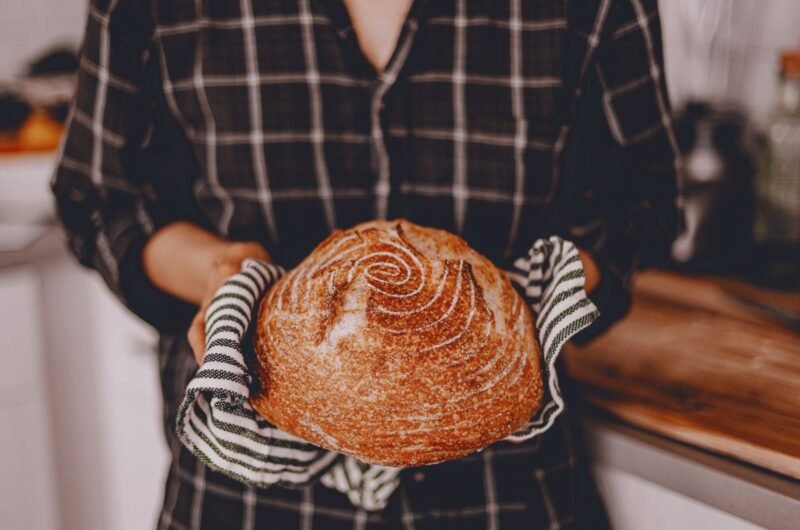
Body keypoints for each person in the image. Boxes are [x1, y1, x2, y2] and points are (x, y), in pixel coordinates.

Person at [52, 0, 680, 528]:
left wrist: (524, 311)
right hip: (245, 503)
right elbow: (100, 197)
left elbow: (644, 204)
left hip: (509, 496)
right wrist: (222, 270)